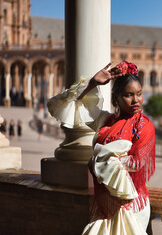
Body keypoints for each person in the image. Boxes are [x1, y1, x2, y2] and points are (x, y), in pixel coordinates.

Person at [47, 61, 155, 235]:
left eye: (139, 93)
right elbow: (64, 105)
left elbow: (137, 163)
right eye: (128, 95)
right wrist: (92, 84)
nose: (136, 100)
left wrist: (97, 161)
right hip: (103, 204)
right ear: (116, 99)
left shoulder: (145, 125)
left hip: (129, 205)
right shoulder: (104, 121)